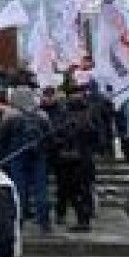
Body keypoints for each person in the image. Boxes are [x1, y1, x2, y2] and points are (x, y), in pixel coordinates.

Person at [48, 87, 101, 232]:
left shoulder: (75, 120)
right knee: (77, 190)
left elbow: (58, 137)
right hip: (76, 160)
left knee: (75, 190)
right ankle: (78, 215)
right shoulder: (82, 119)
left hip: (74, 161)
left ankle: (82, 219)